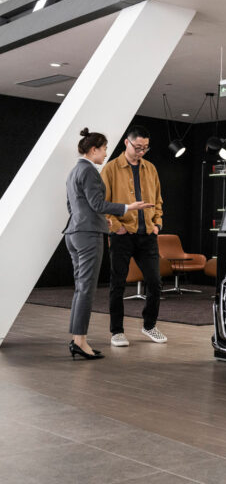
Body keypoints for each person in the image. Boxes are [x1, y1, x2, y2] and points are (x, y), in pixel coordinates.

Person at [64, 128, 152, 360]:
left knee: (80, 289)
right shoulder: (91, 172)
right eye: (103, 150)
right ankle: (81, 341)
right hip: (89, 235)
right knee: (86, 290)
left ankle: (76, 339)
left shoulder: (74, 172)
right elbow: (98, 204)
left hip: (73, 233)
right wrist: (127, 208)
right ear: (93, 149)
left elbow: (71, 207)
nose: (105, 154)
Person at [102, 125, 167, 346]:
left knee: (155, 282)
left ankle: (149, 325)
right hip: (122, 235)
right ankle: (117, 331)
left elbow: (158, 199)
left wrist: (157, 223)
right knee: (117, 284)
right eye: (138, 147)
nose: (141, 151)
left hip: (147, 234)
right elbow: (104, 203)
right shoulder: (110, 169)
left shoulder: (151, 168)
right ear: (127, 143)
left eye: (145, 148)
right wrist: (116, 226)